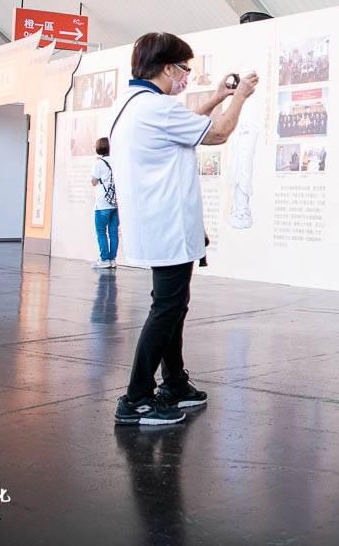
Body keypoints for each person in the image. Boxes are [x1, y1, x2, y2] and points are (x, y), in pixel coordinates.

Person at [110, 32, 258, 426]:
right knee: (167, 309)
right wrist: (240, 97)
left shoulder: (132, 104)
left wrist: (217, 96)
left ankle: (174, 383)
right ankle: (137, 399)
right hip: (167, 225)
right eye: (184, 69)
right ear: (167, 68)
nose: (186, 77)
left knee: (172, 305)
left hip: (156, 223)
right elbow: (218, 133)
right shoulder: (157, 108)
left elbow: (187, 123)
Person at [90, 137, 119, 270]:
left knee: (101, 231)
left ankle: (104, 259)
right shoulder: (117, 161)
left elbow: (94, 182)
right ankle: (112, 259)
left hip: (103, 202)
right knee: (113, 231)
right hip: (115, 202)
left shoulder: (99, 163)